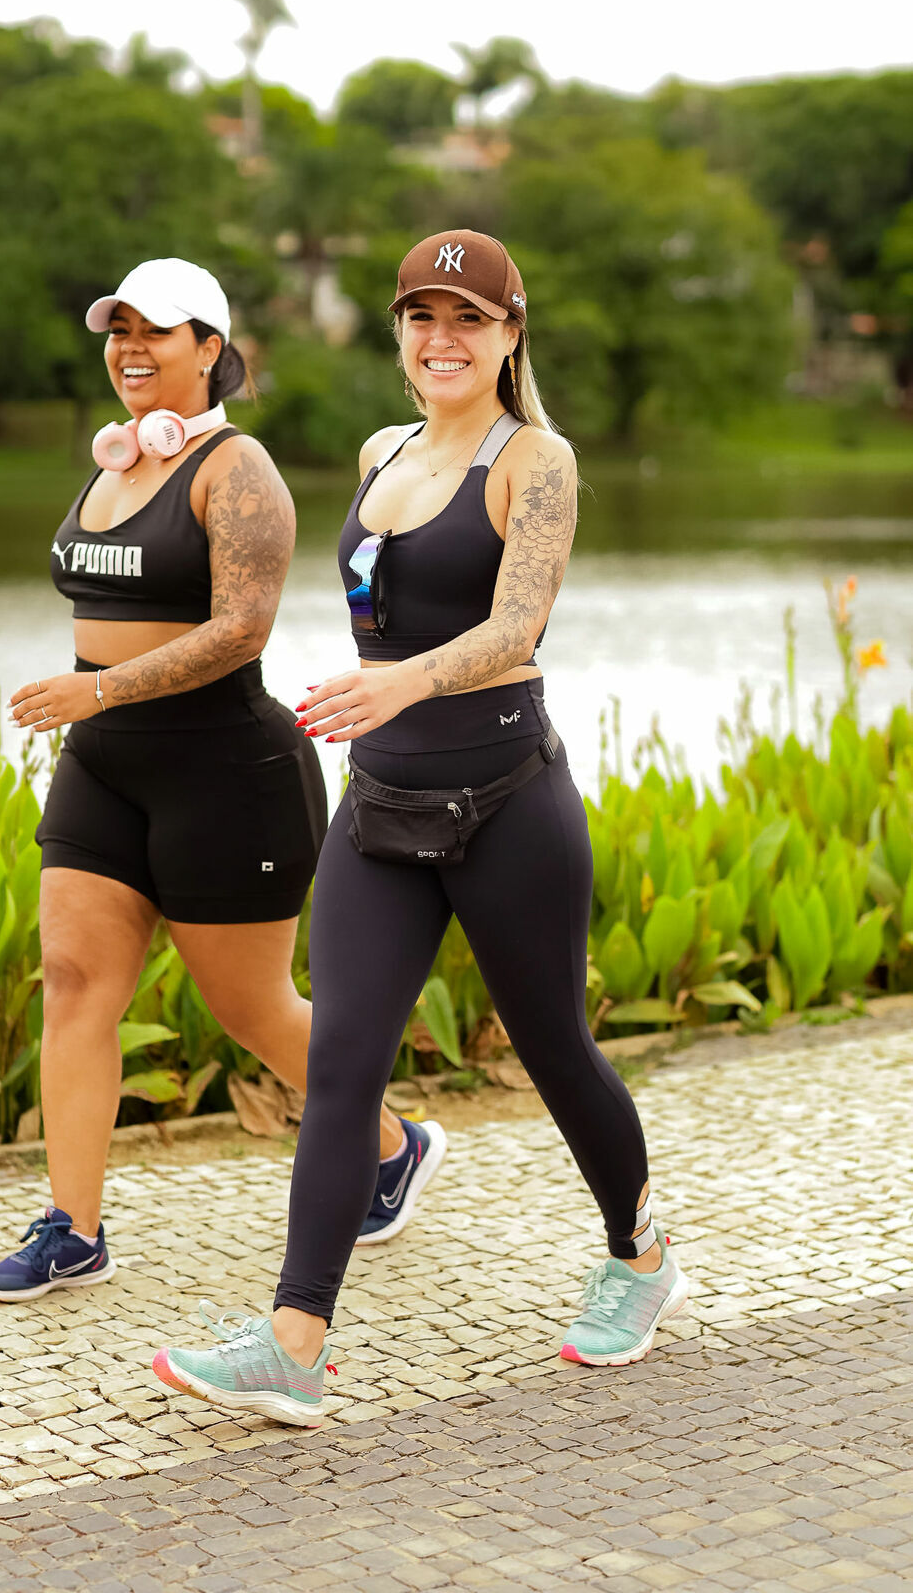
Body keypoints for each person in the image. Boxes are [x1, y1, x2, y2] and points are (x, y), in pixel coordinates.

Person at [151, 231, 690, 1425]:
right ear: (399, 333)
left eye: (469, 318)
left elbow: (516, 626)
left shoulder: (532, 459)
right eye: (420, 317)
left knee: (554, 1046)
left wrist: (399, 682)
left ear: (509, 334)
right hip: (381, 802)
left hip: (507, 799)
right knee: (341, 1060)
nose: (442, 339)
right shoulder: (379, 450)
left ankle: (639, 1254)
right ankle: (295, 1339)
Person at [0, 258, 445, 1303]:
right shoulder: (111, 463)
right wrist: (96, 711)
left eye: (158, 331)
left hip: (224, 770)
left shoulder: (239, 471)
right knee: (75, 984)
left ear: (211, 350)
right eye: (117, 329)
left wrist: (98, 691)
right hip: (104, 770)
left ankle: (391, 1144)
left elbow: (241, 631)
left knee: (251, 1009)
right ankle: (72, 1226)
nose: (130, 348)